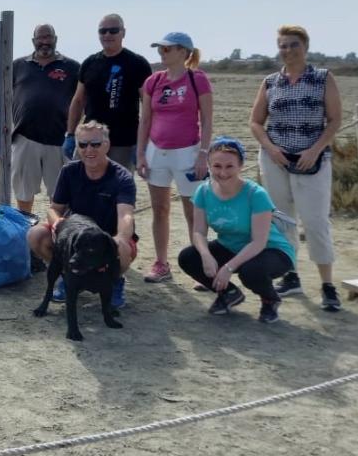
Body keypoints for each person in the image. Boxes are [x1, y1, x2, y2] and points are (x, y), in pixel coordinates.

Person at [250, 24, 344, 311]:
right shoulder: (270, 82)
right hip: (275, 160)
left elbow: (335, 120)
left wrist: (314, 150)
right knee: (282, 220)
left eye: (294, 45)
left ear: (305, 47)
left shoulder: (322, 78)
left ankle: (327, 285)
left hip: (312, 161)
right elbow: (256, 122)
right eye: (283, 45)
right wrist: (271, 149)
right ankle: (290, 275)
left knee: (315, 222)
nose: (288, 50)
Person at [177, 138, 294, 324]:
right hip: (231, 245)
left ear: (240, 166)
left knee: (250, 271)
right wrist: (206, 255)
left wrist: (228, 267)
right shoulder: (203, 192)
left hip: (270, 250)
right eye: (217, 166)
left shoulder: (256, 194)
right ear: (209, 165)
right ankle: (229, 293)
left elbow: (259, 242)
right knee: (189, 257)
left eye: (229, 166)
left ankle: (270, 299)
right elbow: (198, 231)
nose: (223, 172)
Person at [28, 120, 137, 306]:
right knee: (36, 235)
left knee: (122, 247)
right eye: (83, 144)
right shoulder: (69, 171)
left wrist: (121, 237)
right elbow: (54, 208)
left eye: (95, 144)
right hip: (77, 238)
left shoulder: (122, 177)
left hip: (106, 238)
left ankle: (114, 282)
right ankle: (68, 276)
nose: (89, 150)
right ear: (77, 146)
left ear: (107, 145)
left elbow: (125, 215)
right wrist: (58, 224)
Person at [135, 32, 214, 283]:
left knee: (193, 212)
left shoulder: (197, 79)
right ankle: (161, 264)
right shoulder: (153, 81)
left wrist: (203, 154)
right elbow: (145, 120)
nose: (162, 53)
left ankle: (201, 266)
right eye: (160, 48)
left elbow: (207, 120)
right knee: (160, 209)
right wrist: (141, 154)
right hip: (157, 152)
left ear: (183, 52)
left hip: (188, 153)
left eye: (167, 49)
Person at [66, 13, 152, 172]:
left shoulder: (137, 63)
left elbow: (148, 105)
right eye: (102, 31)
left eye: (113, 30)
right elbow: (78, 100)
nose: (107, 35)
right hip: (91, 140)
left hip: (124, 142)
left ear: (123, 33)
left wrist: (143, 142)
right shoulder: (89, 63)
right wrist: (70, 134)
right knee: (82, 182)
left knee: (116, 184)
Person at [11, 23, 79, 213]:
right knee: (23, 193)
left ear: (55, 39)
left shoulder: (72, 67)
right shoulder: (17, 66)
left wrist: (73, 132)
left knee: (60, 196)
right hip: (25, 137)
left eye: (48, 37)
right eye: (40, 38)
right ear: (33, 41)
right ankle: (25, 229)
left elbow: (81, 100)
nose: (44, 41)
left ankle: (57, 231)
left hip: (60, 140)